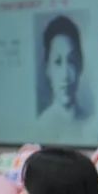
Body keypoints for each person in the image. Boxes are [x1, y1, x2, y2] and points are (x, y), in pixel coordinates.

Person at [35, 15, 89, 144]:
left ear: (80, 65)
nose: (65, 75)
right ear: (47, 69)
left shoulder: (91, 121)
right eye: (57, 62)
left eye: (71, 61)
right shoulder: (40, 126)